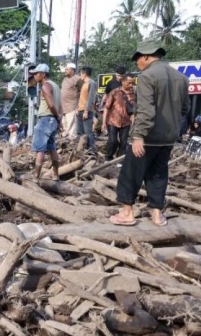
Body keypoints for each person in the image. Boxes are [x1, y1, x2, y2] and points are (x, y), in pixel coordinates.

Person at [110, 37, 190, 227]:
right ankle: (156, 214)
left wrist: (138, 136)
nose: (137, 63)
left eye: (137, 58)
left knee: (131, 173)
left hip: (148, 137)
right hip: (168, 137)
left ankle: (127, 213)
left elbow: (146, 110)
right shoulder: (181, 78)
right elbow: (185, 109)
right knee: (158, 174)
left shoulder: (147, 76)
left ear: (145, 56)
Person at [28, 63, 62, 182]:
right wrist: (59, 119)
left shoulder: (45, 86)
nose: (34, 76)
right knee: (52, 148)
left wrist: (57, 117)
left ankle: (36, 177)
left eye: (36, 74)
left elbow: (51, 105)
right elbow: (59, 105)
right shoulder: (56, 86)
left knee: (40, 149)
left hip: (46, 119)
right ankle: (56, 175)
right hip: (53, 120)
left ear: (43, 74)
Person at [103, 74, 135, 161]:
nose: (131, 85)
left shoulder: (134, 93)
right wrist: (103, 123)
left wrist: (134, 122)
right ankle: (108, 157)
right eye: (129, 83)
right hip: (112, 120)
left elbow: (134, 110)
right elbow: (106, 107)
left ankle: (119, 160)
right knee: (113, 141)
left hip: (126, 122)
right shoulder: (114, 92)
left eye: (133, 83)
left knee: (124, 142)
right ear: (123, 82)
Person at [77, 66, 97, 152]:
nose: (80, 75)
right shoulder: (84, 84)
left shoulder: (91, 83)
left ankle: (91, 150)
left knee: (88, 132)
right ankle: (81, 150)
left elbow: (91, 98)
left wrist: (86, 111)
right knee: (80, 132)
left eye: (81, 73)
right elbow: (82, 98)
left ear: (84, 74)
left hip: (86, 111)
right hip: (80, 110)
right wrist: (77, 109)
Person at [60, 63, 80, 139]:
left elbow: (82, 91)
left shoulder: (77, 79)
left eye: (67, 69)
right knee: (64, 125)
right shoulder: (65, 79)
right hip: (63, 107)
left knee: (72, 127)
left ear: (72, 70)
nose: (65, 70)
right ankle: (65, 144)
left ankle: (72, 142)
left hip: (72, 106)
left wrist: (78, 106)